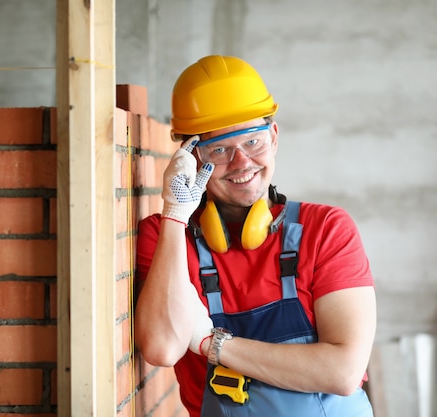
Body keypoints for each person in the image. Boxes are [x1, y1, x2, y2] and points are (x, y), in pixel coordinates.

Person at [134, 55, 376, 417]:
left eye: (253, 142)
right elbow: (163, 349)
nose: (242, 162)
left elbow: (343, 372)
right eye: (219, 149)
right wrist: (175, 214)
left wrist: (211, 344)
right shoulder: (167, 235)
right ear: (191, 157)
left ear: (274, 137)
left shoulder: (325, 229)